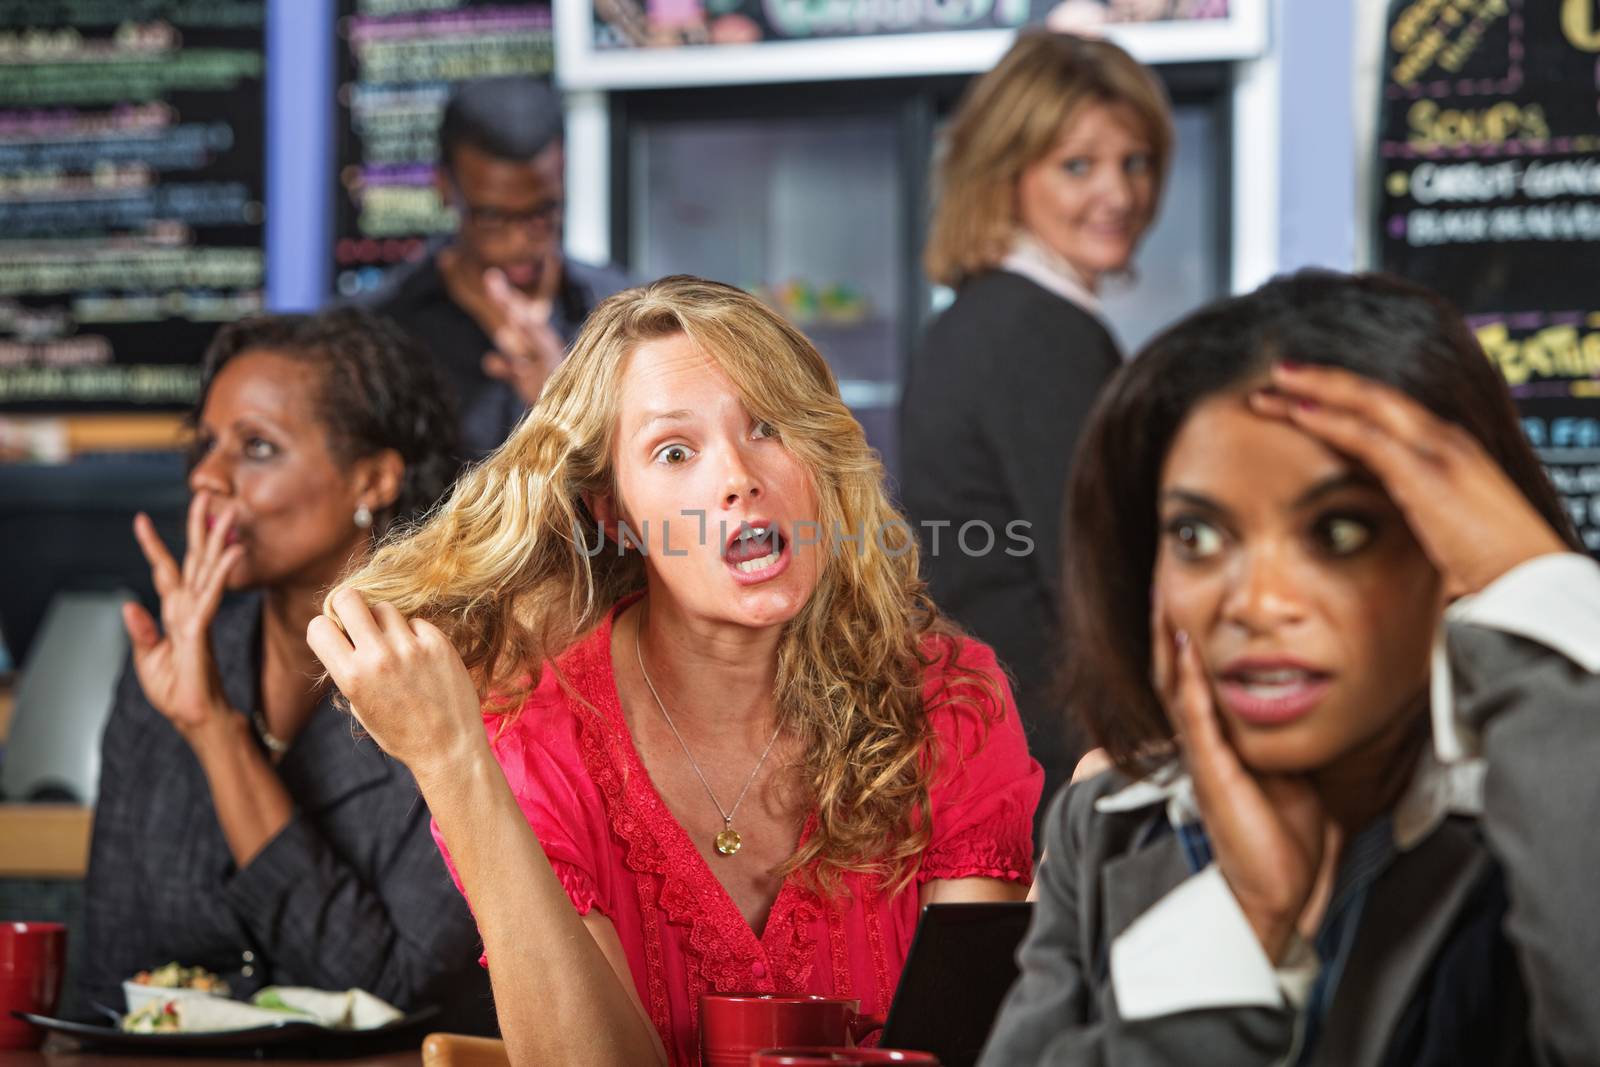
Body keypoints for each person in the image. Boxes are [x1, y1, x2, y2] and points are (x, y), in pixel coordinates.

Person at [307, 275, 1044, 1066]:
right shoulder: (539, 732)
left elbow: (975, 1049)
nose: (737, 476)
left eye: (767, 426)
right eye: (674, 450)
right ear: (614, 514)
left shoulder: (948, 698)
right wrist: (454, 764)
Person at [980, 271, 1600, 1065]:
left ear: (1460, 551)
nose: (1257, 603)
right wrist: (1238, 928)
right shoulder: (1106, 827)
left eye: (1338, 532)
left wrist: (1534, 589)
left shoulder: (1548, 813)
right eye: (1198, 536)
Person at [77, 310, 495, 1035]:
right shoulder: (173, 659)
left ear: (373, 476)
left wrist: (215, 733)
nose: (207, 476)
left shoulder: (463, 676)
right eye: (205, 445)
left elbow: (386, 996)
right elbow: (109, 986)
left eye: (257, 447)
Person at [899, 30, 1173, 824]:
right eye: (1078, 165)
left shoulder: (981, 318)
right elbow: (1096, 575)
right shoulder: (1041, 331)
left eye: (1136, 161)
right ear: (1006, 173)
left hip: (999, 750)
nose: (1118, 193)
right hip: (1062, 763)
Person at [368, 75, 629, 456]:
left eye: (542, 212)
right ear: (444, 187)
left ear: (564, 177)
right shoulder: (379, 332)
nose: (520, 239)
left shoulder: (628, 314)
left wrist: (563, 398)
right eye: (491, 217)